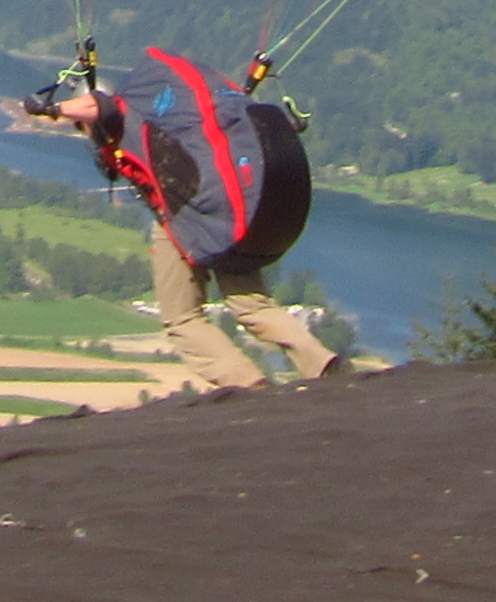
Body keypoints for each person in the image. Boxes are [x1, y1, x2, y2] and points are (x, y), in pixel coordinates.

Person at [21, 50, 348, 392]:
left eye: (80, 127)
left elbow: (98, 106)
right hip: (228, 210)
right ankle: (323, 365)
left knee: (182, 318)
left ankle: (250, 385)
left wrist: (50, 108)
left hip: (188, 220)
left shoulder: (120, 113)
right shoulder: (160, 116)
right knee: (252, 304)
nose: (83, 130)